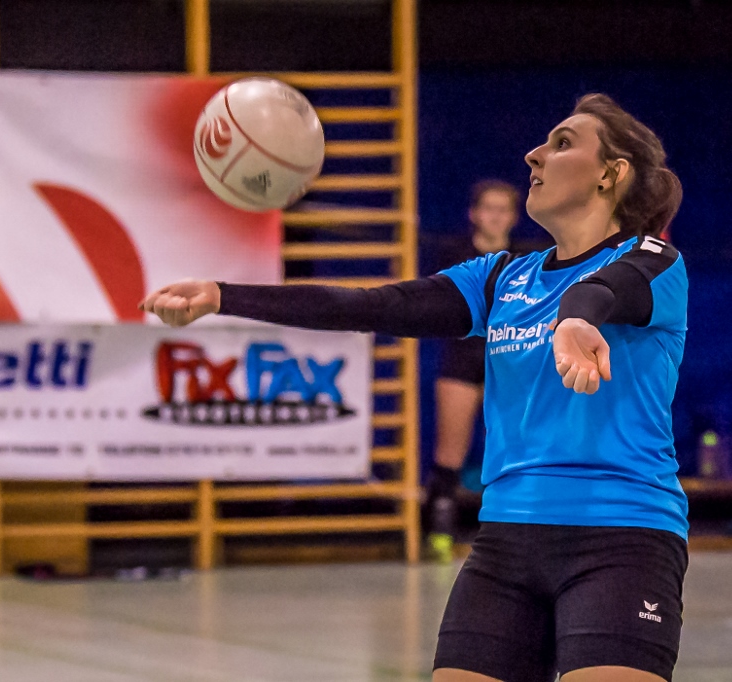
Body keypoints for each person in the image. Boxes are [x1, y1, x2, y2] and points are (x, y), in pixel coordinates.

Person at [142, 92, 689, 682]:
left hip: (622, 538)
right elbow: (373, 305)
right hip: (507, 542)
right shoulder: (502, 277)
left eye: (561, 144)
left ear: (611, 174)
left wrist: (576, 321)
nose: (534, 155)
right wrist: (223, 296)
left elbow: (605, 288)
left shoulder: (655, 260)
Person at [426, 180, 520, 561]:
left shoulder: (526, 261)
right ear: (474, 214)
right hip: (462, 360)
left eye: (503, 209)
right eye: (489, 208)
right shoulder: (456, 257)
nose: (495, 216)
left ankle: (516, 531)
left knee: (517, 450)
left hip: (508, 363)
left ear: (513, 217)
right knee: (450, 451)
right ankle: (439, 531)